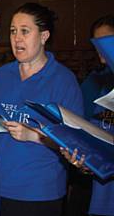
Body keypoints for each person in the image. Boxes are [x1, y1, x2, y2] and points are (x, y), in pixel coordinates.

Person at [0, 3, 83, 216]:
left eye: (25, 31)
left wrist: (33, 135)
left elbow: (75, 142)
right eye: (13, 31)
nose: (17, 38)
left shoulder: (63, 80)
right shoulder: (2, 76)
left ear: (44, 36)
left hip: (39, 192)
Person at [63, 14, 114, 216]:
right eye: (97, 49)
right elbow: (100, 144)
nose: (102, 57)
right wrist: (83, 161)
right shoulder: (102, 89)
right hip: (103, 202)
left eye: (107, 46)